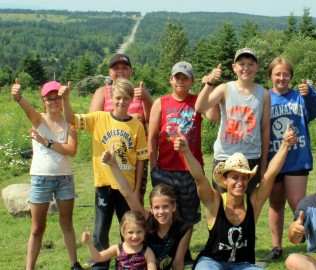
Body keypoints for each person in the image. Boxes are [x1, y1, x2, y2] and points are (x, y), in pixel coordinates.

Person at [175, 124, 297, 269]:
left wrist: (285, 145)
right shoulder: (215, 201)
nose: (240, 182)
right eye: (235, 177)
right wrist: (186, 151)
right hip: (212, 262)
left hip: (242, 265)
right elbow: (199, 178)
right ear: (225, 180)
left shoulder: (253, 202)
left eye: (244, 178)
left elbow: (270, 175)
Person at [62, 78, 149, 270]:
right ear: (111, 97)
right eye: (118, 98)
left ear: (131, 99)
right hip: (104, 184)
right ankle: (100, 265)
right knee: (101, 229)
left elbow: (142, 159)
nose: (122, 102)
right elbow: (70, 119)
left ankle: (128, 263)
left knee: (128, 227)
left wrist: (136, 189)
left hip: (126, 187)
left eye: (126, 98)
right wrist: (65, 100)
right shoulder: (99, 118)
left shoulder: (136, 126)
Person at [148, 61, 219, 264]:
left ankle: (184, 252)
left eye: (185, 78)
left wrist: (210, 85)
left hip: (191, 170)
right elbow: (152, 136)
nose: (181, 81)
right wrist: (153, 166)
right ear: (171, 79)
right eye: (177, 77)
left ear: (192, 81)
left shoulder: (198, 101)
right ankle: (166, 250)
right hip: (165, 169)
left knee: (188, 215)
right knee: (167, 212)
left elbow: (214, 117)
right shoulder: (160, 102)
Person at [11, 79, 83, 270]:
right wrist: (18, 96)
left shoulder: (70, 121)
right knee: (37, 228)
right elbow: (26, 107)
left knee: (67, 222)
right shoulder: (38, 119)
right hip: (41, 178)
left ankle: (74, 264)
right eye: (49, 99)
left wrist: (47, 142)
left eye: (57, 98)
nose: (53, 102)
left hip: (65, 178)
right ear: (43, 101)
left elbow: (72, 150)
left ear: (62, 99)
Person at [265, 56, 316, 260]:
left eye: (286, 74)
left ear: (291, 76)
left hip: (297, 157)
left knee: (298, 203)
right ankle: (276, 246)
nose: (282, 77)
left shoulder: (299, 96)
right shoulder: (264, 97)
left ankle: (311, 240)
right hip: (272, 158)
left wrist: (310, 94)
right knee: (275, 202)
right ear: (270, 75)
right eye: (277, 74)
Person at [101, 146, 192, 269]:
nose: (161, 212)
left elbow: (178, 262)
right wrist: (113, 164)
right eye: (157, 208)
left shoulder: (183, 229)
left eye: (165, 207)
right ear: (151, 208)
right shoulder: (145, 217)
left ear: (173, 206)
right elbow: (127, 192)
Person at [195, 47, 271, 194]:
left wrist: (263, 164)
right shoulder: (225, 89)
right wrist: (210, 83)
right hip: (225, 157)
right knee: (222, 207)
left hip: (251, 157)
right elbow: (200, 106)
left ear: (257, 68)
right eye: (241, 64)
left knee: (247, 208)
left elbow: (265, 129)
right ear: (234, 67)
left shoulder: (264, 94)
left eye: (250, 64)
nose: (246, 68)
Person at [89, 53, 153, 205]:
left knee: (135, 203)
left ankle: (133, 229)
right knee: (108, 202)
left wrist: (146, 98)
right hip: (109, 155)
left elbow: (152, 120)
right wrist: (126, 122)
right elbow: (93, 123)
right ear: (110, 72)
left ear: (131, 71)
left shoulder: (139, 91)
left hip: (136, 157)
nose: (120, 72)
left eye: (124, 68)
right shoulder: (102, 92)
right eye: (116, 68)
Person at [82, 210, 156, 270]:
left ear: (145, 231)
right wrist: (89, 244)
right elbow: (98, 257)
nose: (135, 236)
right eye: (130, 232)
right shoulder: (117, 249)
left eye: (139, 232)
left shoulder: (147, 252)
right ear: (122, 232)